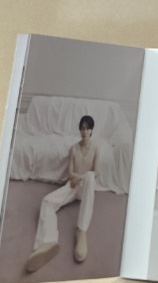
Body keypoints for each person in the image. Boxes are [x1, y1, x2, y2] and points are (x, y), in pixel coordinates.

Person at [25, 114, 101, 273]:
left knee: (89, 177)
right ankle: (48, 242)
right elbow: (70, 172)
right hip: (73, 186)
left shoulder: (96, 149)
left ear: (91, 130)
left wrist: (80, 177)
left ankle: (81, 231)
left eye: (87, 128)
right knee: (47, 201)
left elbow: (96, 173)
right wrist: (76, 178)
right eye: (82, 128)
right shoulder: (73, 149)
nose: (84, 131)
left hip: (85, 187)